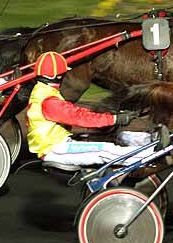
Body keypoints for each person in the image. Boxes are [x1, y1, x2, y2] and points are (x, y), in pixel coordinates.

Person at [27, 51, 164, 166]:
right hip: (55, 149)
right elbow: (80, 117)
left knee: (115, 138)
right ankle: (152, 154)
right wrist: (114, 119)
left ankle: (149, 140)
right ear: (59, 75)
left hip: (59, 144)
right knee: (105, 149)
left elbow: (76, 113)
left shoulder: (43, 91)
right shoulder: (49, 101)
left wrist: (114, 117)